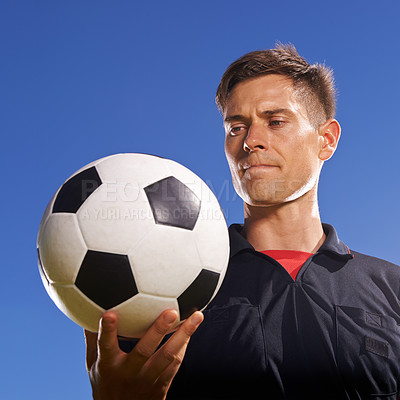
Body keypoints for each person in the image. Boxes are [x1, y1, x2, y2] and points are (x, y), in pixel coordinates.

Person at [84, 44, 400, 400]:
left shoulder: (392, 287)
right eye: (236, 128)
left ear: (326, 139)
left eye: (275, 121)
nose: (250, 142)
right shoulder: (168, 289)